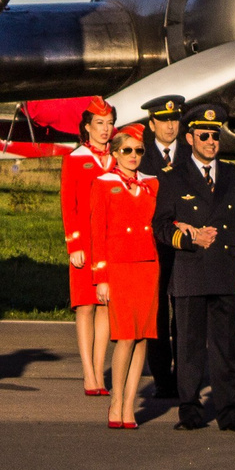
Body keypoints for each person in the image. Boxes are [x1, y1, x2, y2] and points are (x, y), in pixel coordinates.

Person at [150, 102, 235, 432]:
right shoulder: (173, 178)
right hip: (189, 271)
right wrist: (189, 239)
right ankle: (190, 409)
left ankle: (229, 411)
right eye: (204, 135)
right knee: (189, 347)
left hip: (225, 272)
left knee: (226, 347)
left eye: (215, 135)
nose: (211, 141)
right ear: (190, 137)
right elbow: (161, 226)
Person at [89, 127, 162, 428]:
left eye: (139, 151)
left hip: (147, 265)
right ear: (115, 153)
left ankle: (130, 404)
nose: (134, 156)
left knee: (142, 336)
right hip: (119, 267)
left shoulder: (152, 184)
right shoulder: (103, 183)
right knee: (125, 336)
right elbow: (97, 232)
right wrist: (100, 277)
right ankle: (116, 399)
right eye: (127, 150)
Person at [60, 97, 118, 396]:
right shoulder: (75, 158)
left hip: (111, 245)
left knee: (105, 306)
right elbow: (68, 204)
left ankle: (100, 369)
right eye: (99, 124)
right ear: (87, 127)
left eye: (109, 123)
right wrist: (74, 244)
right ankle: (89, 373)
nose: (105, 129)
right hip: (85, 244)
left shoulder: (119, 158)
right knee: (84, 307)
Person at [138, 93, 189, 399]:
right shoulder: (142, 157)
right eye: (164, 121)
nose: (170, 127)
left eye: (174, 120)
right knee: (157, 312)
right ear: (152, 123)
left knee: (182, 311)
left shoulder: (191, 156)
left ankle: (184, 375)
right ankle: (161, 377)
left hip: (183, 245)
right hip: (152, 244)